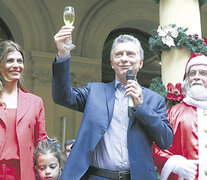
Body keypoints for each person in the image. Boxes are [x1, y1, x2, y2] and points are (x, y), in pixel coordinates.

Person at [52, 25, 173, 180]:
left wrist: (142, 107)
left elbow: (166, 140)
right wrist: (63, 54)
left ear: (140, 62)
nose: (124, 58)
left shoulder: (154, 100)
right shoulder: (95, 92)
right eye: (119, 54)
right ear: (112, 63)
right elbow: (62, 96)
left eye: (130, 54)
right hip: (98, 176)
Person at [153, 53, 207, 180]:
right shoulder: (173, 113)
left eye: (203, 73)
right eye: (192, 73)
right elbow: (155, 147)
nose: (196, 77)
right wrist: (173, 163)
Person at [0, 40, 47, 180]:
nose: (16, 65)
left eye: (19, 61)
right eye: (10, 61)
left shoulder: (35, 102)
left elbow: (41, 140)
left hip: (23, 172)